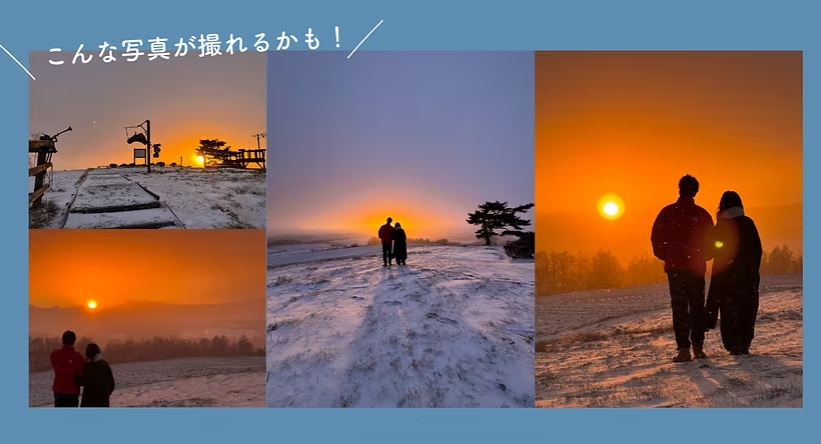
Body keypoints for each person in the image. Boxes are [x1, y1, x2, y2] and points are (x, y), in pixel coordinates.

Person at [651, 175, 715, 362]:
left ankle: (684, 349)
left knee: (679, 308)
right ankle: (698, 347)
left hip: (675, 268)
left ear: (679, 189)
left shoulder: (668, 213)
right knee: (697, 307)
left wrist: (668, 255)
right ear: (696, 191)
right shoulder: (702, 214)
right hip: (696, 267)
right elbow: (712, 240)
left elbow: (656, 238)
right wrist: (703, 256)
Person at [704, 191, 763, 356]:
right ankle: (745, 343)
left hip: (726, 277)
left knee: (729, 310)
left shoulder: (721, 226)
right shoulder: (748, 223)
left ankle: (733, 343)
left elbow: (709, 251)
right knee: (747, 309)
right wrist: (752, 269)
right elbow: (758, 250)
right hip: (748, 277)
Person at [50, 330, 85, 407]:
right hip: (72, 392)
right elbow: (81, 374)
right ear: (74, 341)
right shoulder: (78, 357)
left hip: (58, 390)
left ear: (63, 340)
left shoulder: (54, 354)